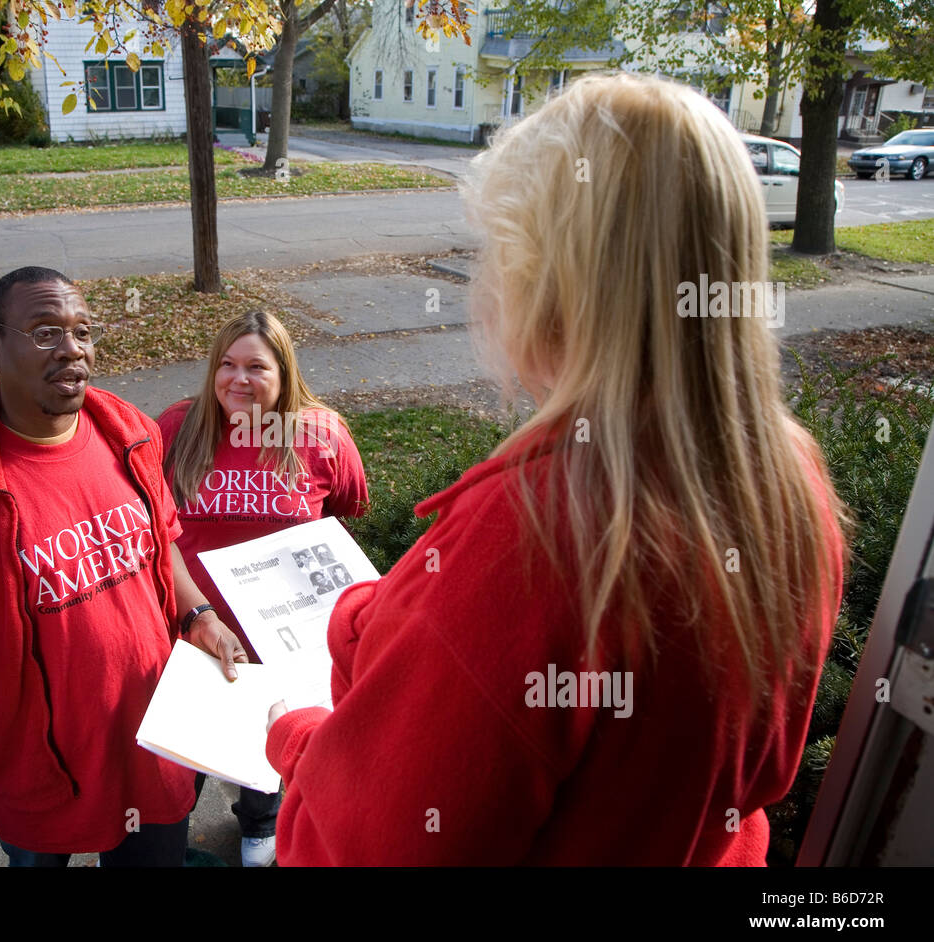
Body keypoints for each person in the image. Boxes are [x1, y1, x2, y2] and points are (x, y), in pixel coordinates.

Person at [263, 74, 850, 865]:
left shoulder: (536, 530)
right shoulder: (787, 480)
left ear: (550, 283)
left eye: (497, 251)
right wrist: (391, 621)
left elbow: (362, 844)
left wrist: (295, 738)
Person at [0, 266, 248, 867]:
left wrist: (198, 614)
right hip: (36, 765)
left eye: (82, 331)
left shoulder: (127, 431)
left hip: (149, 737)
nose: (72, 349)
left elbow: (163, 539)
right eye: (45, 332)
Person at [157, 311, 368, 866]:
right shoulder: (178, 428)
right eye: (226, 365)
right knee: (186, 757)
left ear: (284, 370)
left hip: (283, 631)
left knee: (271, 740)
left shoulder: (321, 434)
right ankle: (166, 836)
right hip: (195, 626)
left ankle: (259, 824)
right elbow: (150, 522)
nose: (238, 380)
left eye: (256, 366)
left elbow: (343, 511)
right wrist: (193, 612)